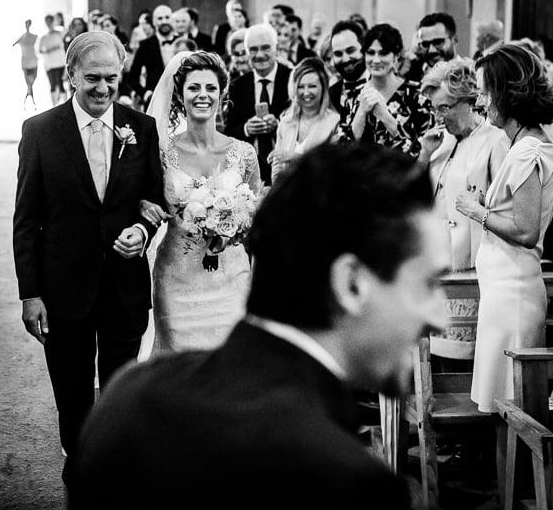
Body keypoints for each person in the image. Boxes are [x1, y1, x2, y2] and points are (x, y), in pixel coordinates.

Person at [66, 143, 450, 509]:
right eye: (427, 284)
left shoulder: (129, 400)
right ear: (351, 283)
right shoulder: (352, 485)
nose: (441, 319)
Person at [13, 31, 165, 469]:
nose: (103, 88)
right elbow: (26, 220)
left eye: (111, 78)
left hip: (123, 283)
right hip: (63, 287)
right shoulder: (40, 131)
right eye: (93, 77)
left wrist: (141, 230)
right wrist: (30, 294)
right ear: (72, 75)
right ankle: (78, 459)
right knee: (72, 388)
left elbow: (152, 200)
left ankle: (114, 464)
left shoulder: (141, 128)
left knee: (121, 385)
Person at [454, 43, 553, 413]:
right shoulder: (520, 146)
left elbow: (527, 231)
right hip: (502, 291)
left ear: (507, 93)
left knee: (509, 409)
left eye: (486, 91)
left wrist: (475, 211)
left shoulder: (527, 151)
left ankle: (514, 474)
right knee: (502, 408)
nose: (482, 102)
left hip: (513, 298)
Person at [141, 51, 259, 353]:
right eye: (194, 88)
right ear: (180, 95)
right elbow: (146, 202)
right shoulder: (160, 153)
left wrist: (234, 229)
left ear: (222, 94)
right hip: (177, 281)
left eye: (210, 88)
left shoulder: (244, 153)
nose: (202, 95)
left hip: (231, 280)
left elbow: (256, 220)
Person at [418, 58, 509, 359]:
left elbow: (504, 205)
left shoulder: (495, 141)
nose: (439, 115)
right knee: (433, 358)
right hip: (436, 268)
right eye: (435, 108)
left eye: (445, 107)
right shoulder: (439, 141)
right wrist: (424, 156)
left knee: (464, 356)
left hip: (472, 271)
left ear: (468, 100)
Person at [340, 23, 432, 158]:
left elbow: (421, 152)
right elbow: (341, 153)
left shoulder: (417, 94)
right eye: (370, 53)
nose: (376, 60)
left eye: (383, 53)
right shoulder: (351, 95)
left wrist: (385, 116)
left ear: (395, 56)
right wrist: (361, 113)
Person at [224, 23, 292, 184]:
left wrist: (279, 124)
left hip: (286, 169)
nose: (259, 55)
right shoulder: (237, 86)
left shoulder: (291, 79)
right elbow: (228, 133)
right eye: (253, 49)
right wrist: (246, 129)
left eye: (265, 48)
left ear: (276, 48)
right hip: (249, 174)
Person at [268, 57, 339, 182]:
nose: (306, 93)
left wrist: (293, 157)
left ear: (323, 88)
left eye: (312, 86)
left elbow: (330, 168)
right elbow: (277, 168)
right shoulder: (286, 122)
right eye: (301, 87)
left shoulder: (334, 122)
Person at [128, 4, 175, 104]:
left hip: (180, 102)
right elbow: (132, 77)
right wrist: (145, 94)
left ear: (172, 19)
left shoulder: (182, 42)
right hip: (153, 102)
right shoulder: (145, 45)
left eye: (167, 17)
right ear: (154, 22)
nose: (164, 21)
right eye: (160, 18)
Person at [40, 14, 67, 106]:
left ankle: (64, 105)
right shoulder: (44, 37)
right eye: (47, 22)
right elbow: (40, 50)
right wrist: (49, 50)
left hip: (60, 63)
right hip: (49, 64)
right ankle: (54, 106)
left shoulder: (60, 32)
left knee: (60, 84)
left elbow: (65, 41)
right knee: (52, 85)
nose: (49, 24)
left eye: (50, 21)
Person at [13, 19, 39, 106]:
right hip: (25, 63)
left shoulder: (35, 36)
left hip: (33, 62)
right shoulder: (22, 37)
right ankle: (31, 99)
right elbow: (13, 44)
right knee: (29, 83)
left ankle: (29, 96)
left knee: (30, 83)